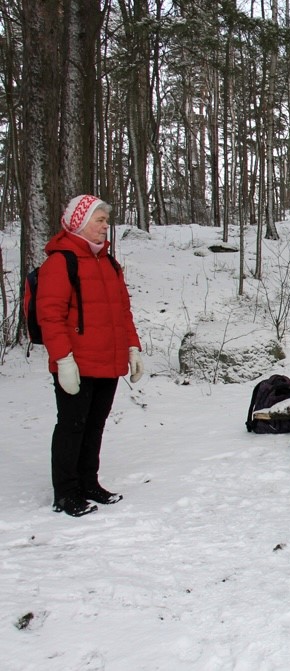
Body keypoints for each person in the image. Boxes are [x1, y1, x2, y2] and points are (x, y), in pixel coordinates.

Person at [36, 195, 144, 517]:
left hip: (108, 363)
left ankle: (88, 482)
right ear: (80, 223)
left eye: (105, 220)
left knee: (95, 425)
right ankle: (66, 493)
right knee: (72, 425)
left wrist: (132, 348)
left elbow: (123, 312)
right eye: (99, 220)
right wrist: (63, 360)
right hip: (76, 364)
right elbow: (50, 316)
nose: (105, 225)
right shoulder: (60, 262)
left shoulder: (109, 263)